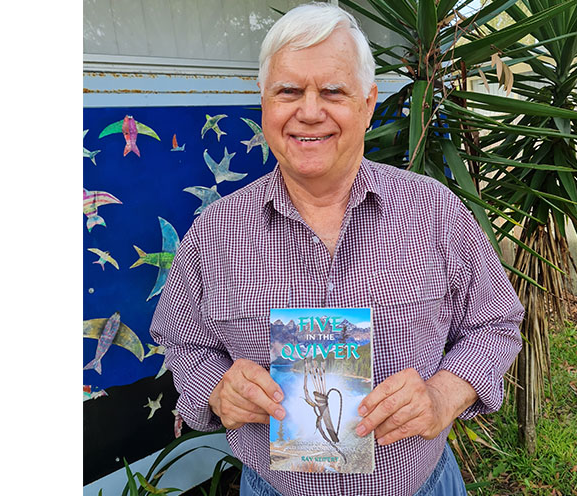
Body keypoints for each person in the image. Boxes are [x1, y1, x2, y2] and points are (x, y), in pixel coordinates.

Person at [150, 3, 523, 495]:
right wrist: (218, 390)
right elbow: (182, 341)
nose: (309, 111)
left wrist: (443, 395)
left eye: (332, 91)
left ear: (368, 104)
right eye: (288, 91)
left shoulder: (435, 211)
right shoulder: (214, 234)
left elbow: (496, 324)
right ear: (264, 102)